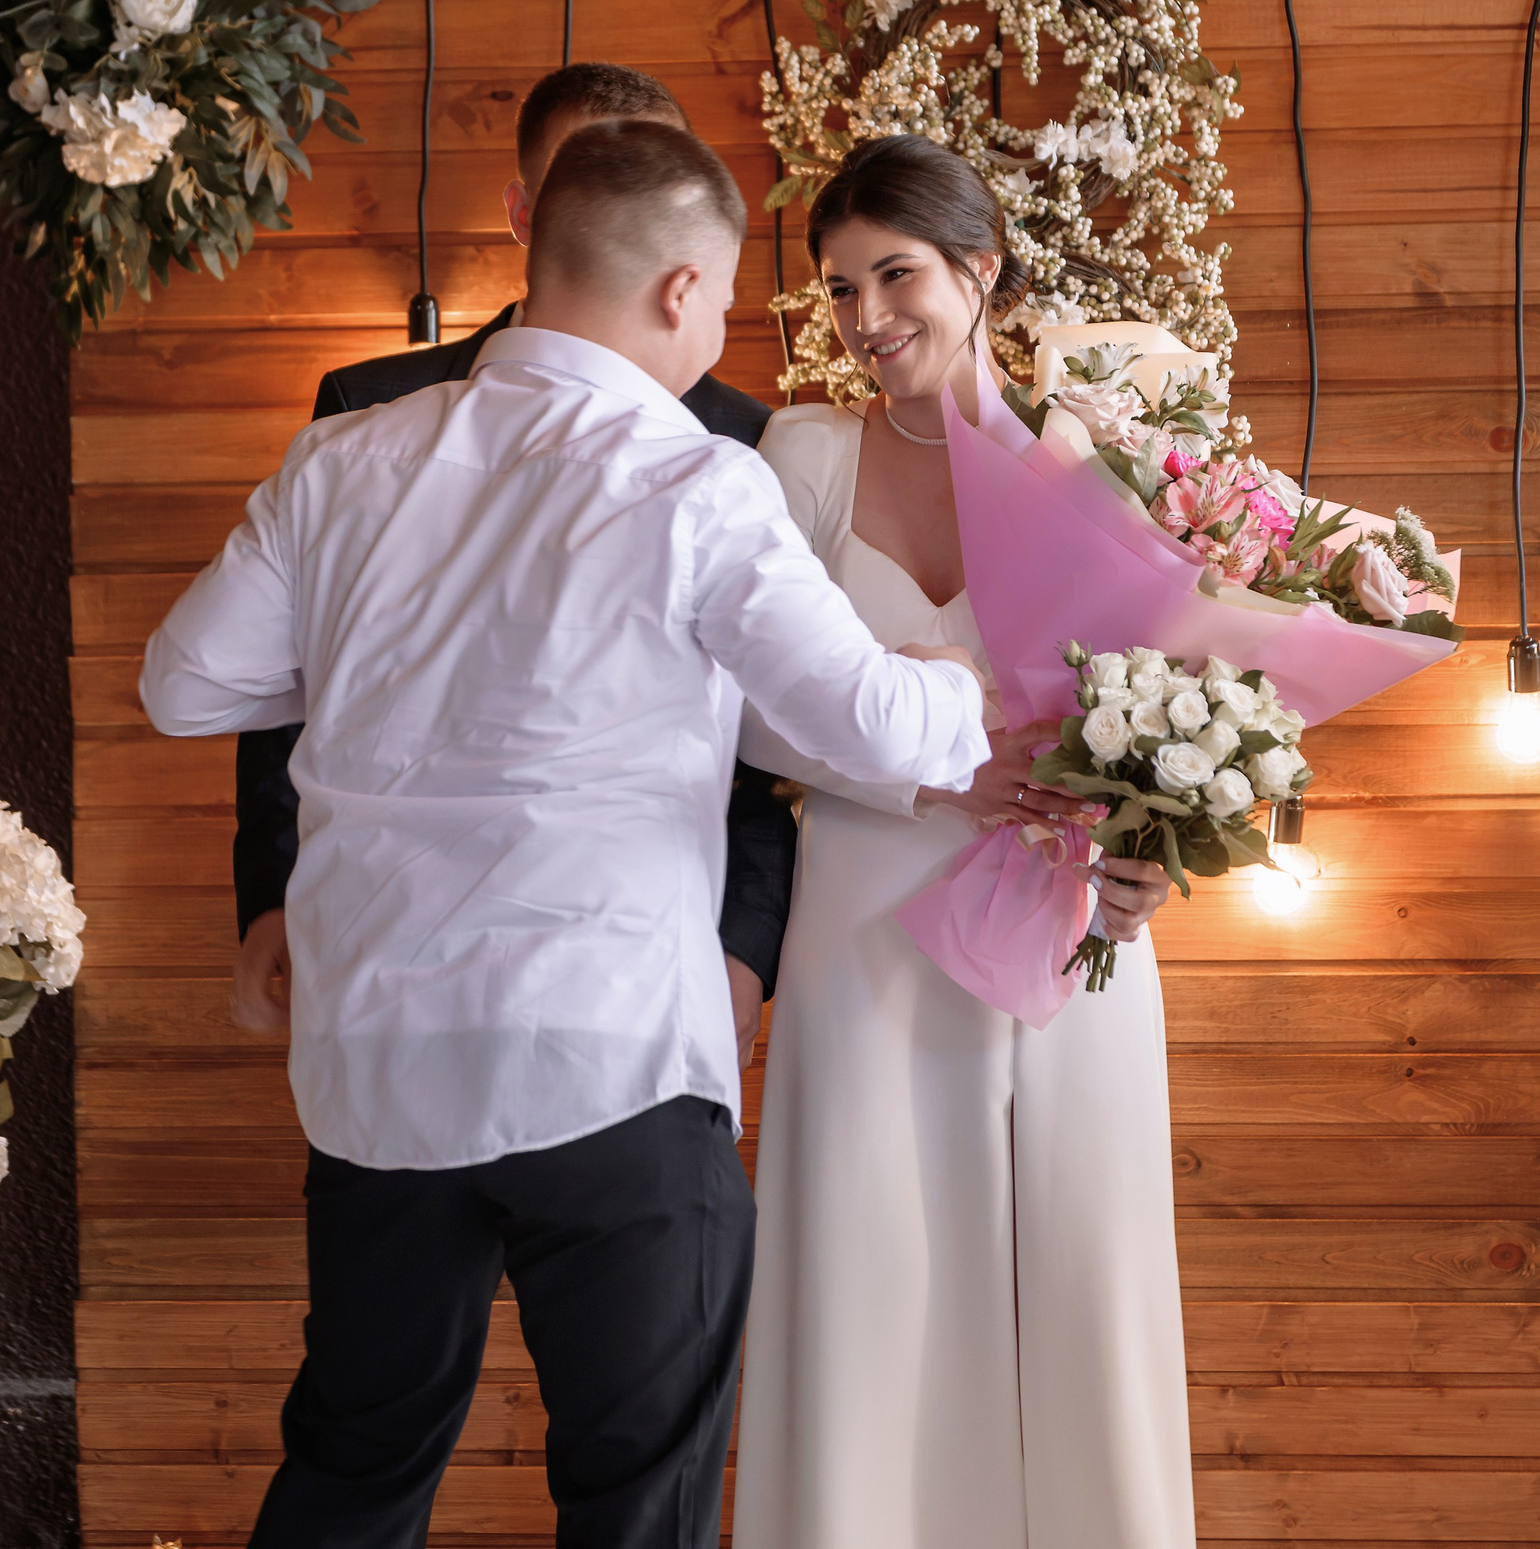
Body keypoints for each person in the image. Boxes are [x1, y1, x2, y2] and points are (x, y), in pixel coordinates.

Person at [141, 120, 994, 1549]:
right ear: (680, 288)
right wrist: (961, 685)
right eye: (724, 301)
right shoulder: (693, 479)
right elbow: (870, 724)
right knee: (633, 1502)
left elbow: (183, 685)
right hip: (609, 1052)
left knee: (355, 1467)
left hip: (378, 1064)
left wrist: (382, 668)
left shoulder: (341, 460)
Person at [731, 134, 1197, 1549]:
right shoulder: (804, 459)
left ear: (980, 270)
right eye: (840, 287)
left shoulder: (1098, 461)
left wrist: (1154, 852)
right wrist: (938, 778)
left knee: (1081, 1270)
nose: (866, 317)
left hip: (1066, 923)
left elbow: (1180, 709)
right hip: (865, 921)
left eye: (895, 276)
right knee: (872, 1272)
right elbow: (743, 715)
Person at [230, 63, 794, 1063]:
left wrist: (746, 942)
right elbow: (290, 680)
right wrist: (274, 892)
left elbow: (767, 731)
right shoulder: (364, 409)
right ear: (526, 210)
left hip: (645, 962)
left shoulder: (746, 438)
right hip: (388, 956)